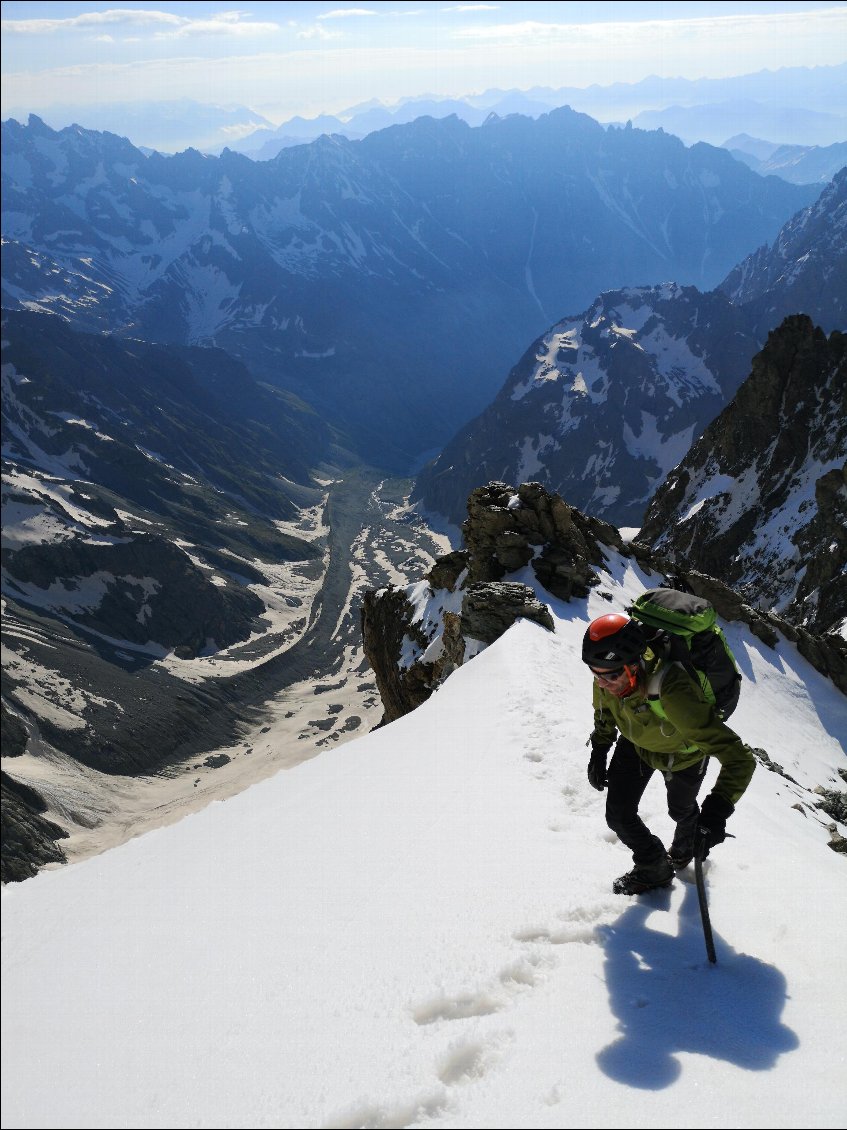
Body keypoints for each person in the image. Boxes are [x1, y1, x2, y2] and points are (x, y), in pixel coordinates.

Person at [582, 612, 756, 895]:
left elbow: (740, 759)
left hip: (684, 753)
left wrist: (715, 813)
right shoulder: (608, 673)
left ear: (634, 665)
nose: (602, 684)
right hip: (636, 744)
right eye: (595, 674)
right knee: (618, 815)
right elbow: (604, 709)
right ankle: (654, 867)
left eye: (610, 677)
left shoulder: (673, 691)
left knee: (681, 810)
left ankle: (686, 846)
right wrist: (600, 747)